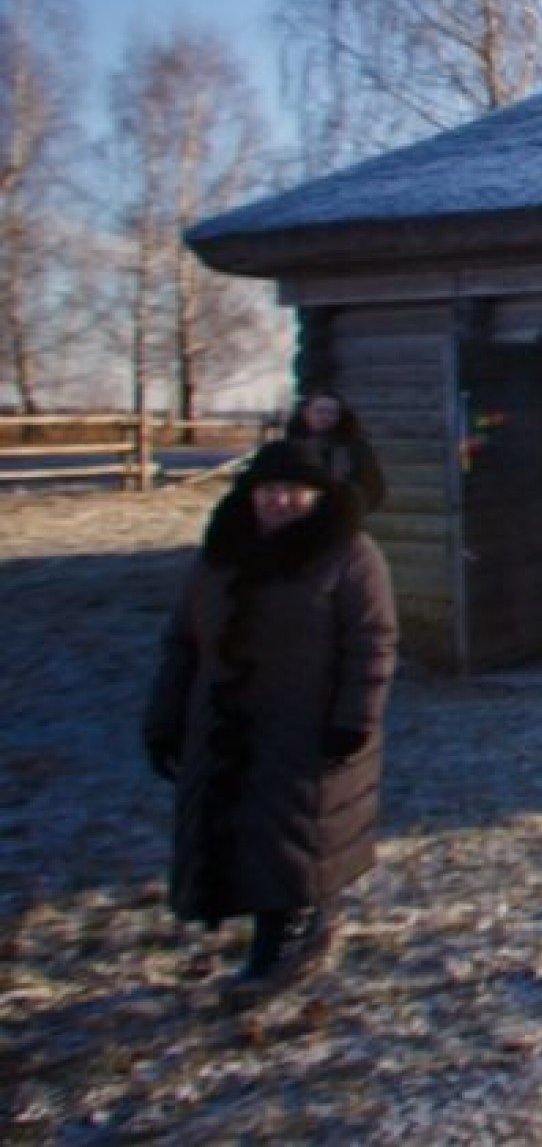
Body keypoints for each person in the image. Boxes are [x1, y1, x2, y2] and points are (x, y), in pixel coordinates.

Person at [143, 437, 397, 996]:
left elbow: (372, 643)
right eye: (269, 490)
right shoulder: (221, 555)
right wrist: (165, 718)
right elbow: (183, 644)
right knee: (239, 831)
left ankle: (283, 943)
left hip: (307, 720)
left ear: (318, 496)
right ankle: (296, 922)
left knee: (295, 835)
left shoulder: (349, 553)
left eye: (293, 491)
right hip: (224, 720)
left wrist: (354, 718)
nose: (279, 501)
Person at [285, 387, 387, 514]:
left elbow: (374, 487)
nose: (325, 417)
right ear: (306, 413)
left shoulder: (355, 448)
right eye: (319, 411)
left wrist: (353, 512)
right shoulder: (288, 447)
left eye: (332, 413)